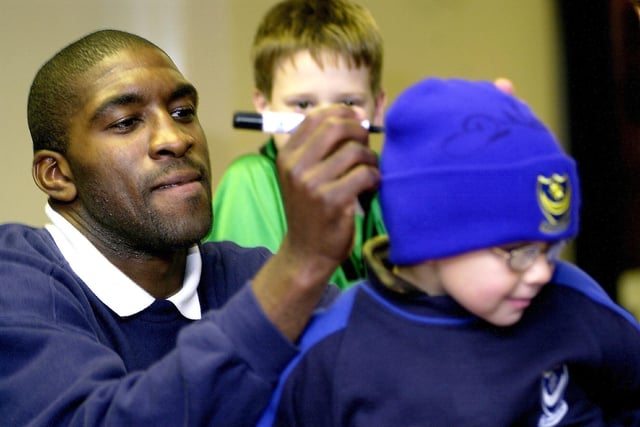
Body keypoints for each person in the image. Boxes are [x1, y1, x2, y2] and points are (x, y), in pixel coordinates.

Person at [0, 29, 380, 426]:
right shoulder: (17, 281)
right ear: (57, 174)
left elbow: (386, 378)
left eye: (183, 112)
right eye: (127, 122)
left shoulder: (247, 275)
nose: (176, 139)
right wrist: (300, 266)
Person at [257, 78, 640, 426]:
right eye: (518, 251)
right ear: (432, 237)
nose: (541, 272)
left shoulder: (574, 299)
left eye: (551, 248)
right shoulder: (335, 350)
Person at [203, 0, 387, 290]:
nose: (326, 122)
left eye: (348, 102)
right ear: (264, 106)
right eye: (303, 104)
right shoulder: (250, 181)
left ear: (377, 108)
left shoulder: (385, 181)